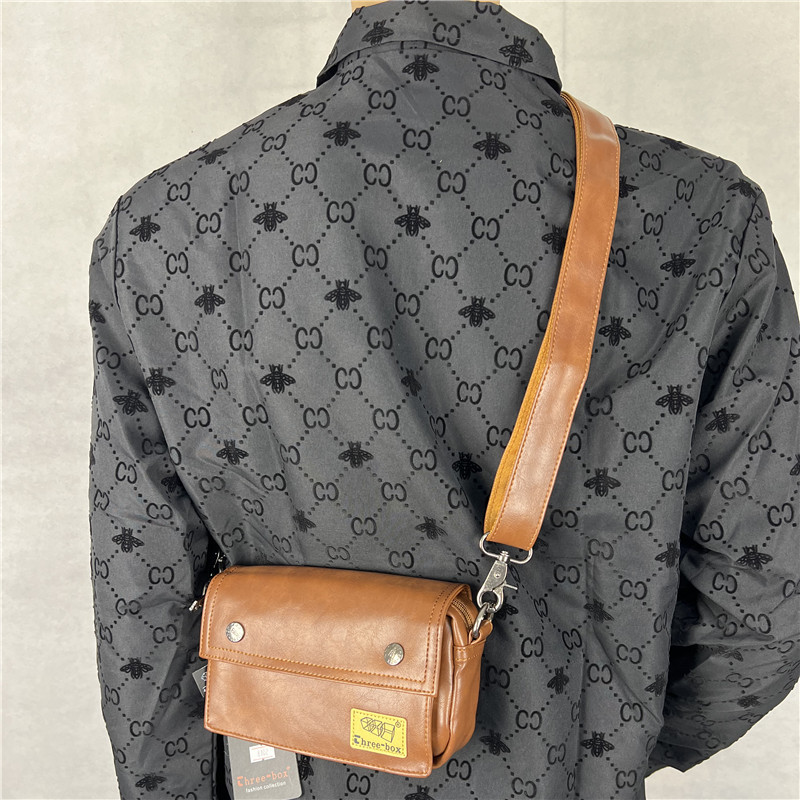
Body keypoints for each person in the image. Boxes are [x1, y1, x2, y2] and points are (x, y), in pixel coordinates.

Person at [87, 1, 800, 797]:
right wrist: (603, 740)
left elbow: (141, 609)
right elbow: (764, 600)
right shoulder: (700, 213)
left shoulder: (159, 228)